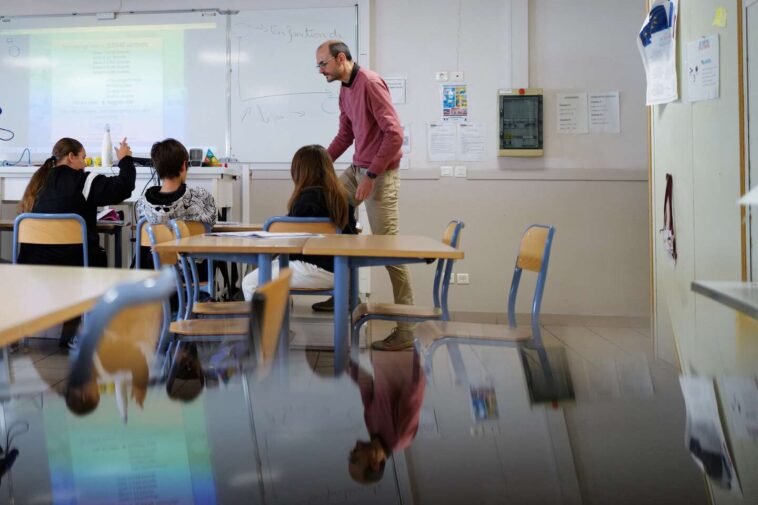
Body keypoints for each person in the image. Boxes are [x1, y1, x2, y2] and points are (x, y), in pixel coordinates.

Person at [315, 40, 414, 351]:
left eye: (323, 65)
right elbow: (346, 135)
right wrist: (318, 165)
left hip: (380, 174)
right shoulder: (345, 89)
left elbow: (394, 135)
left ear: (340, 58)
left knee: (390, 251)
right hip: (358, 168)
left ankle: (406, 331)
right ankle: (343, 292)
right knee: (328, 208)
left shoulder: (370, 83)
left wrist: (371, 175)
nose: (321, 71)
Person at [241, 144, 357, 299]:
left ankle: (265, 323)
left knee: (250, 283)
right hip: (342, 270)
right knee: (272, 269)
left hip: (313, 269)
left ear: (300, 172)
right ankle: (274, 317)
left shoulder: (304, 199)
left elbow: (291, 241)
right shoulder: (342, 197)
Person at [18, 136, 134, 267]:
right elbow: (124, 187)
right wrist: (125, 159)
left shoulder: (36, 184)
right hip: (77, 265)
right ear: (71, 157)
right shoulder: (84, 181)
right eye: (83, 158)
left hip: (33, 267)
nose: (85, 164)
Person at [134, 138, 217, 268]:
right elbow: (212, 225)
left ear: (157, 168)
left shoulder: (142, 205)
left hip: (156, 274)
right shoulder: (202, 198)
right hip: (193, 273)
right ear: (184, 165)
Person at [347, 351, 426, 483]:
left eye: (350, 457)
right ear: (374, 464)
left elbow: (366, 387)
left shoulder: (371, 428)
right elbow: (415, 388)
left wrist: (346, 366)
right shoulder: (400, 438)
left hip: (381, 351)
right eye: (355, 459)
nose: (351, 452)